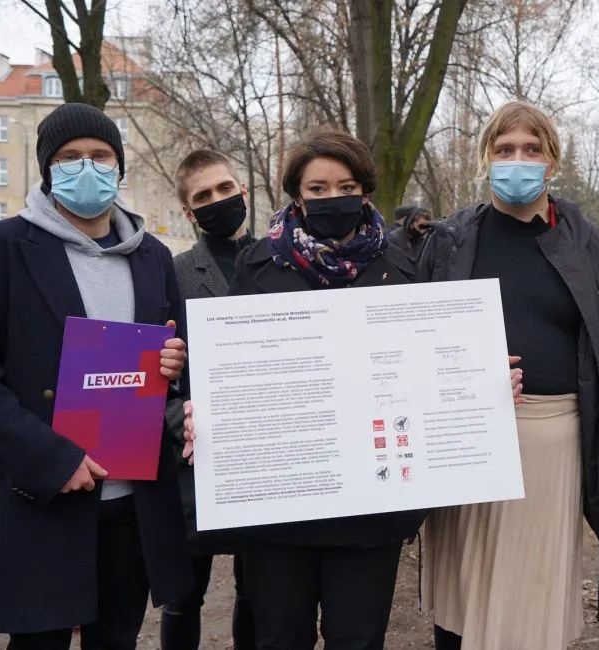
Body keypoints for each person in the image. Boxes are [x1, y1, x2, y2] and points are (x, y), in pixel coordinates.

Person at [0, 102, 194, 650]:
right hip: (39, 495)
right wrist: (52, 459)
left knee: (117, 638)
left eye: (100, 156)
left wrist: (174, 364)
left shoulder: (152, 257)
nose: (87, 167)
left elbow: (172, 358)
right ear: (47, 170)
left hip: (131, 500)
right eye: (69, 157)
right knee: (38, 642)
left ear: (118, 167)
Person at [180, 130, 433, 650]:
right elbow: (232, 375)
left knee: (357, 639)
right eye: (317, 188)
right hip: (279, 509)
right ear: (297, 193)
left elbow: (426, 368)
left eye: (345, 185)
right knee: (278, 639)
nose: (331, 197)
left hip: (372, 510)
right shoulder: (258, 267)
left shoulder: (402, 267)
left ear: (365, 190)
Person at [417, 100, 599, 650]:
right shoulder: (449, 242)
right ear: (485, 158)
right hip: (464, 437)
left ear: (552, 161)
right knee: (463, 588)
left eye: (530, 149)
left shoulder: (595, 248)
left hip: (550, 439)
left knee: (530, 592)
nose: (516, 160)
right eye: (503, 150)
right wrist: (465, 376)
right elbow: (412, 338)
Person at [161, 149, 256, 650]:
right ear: (187, 211)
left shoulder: (277, 263)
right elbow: (151, 374)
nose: (218, 201)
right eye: (203, 196)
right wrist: (179, 417)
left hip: (264, 456)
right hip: (193, 462)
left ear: (242, 189)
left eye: (224, 189)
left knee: (256, 591)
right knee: (183, 595)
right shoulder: (171, 274)